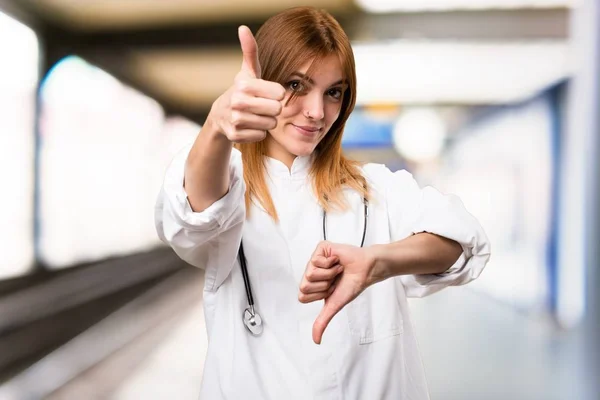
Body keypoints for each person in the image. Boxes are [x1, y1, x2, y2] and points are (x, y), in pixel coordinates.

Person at [155, 6, 491, 400]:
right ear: (264, 84)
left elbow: (460, 242)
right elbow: (191, 212)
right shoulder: (229, 183)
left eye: (333, 92)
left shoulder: (372, 189)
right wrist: (217, 126)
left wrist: (377, 263)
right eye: (297, 85)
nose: (317, 112)